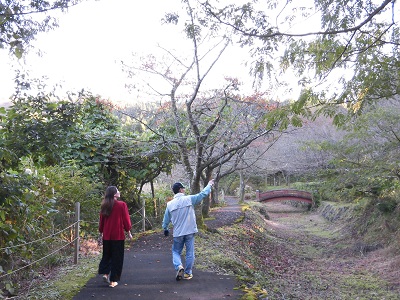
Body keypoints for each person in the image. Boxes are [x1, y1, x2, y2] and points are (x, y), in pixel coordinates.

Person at [162, 179, 214, 281]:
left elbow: (166, 220)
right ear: (180, 190)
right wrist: (209, 185)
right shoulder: (189, 199)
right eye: (183, 188)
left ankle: (179, 266)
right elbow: (202, 194)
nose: (184, 190)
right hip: (190, 231)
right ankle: (187, 273)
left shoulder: (170, 204)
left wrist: (165, 229)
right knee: (190, 252)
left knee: (176, 251)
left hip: (178, 233)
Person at [98, 186, 132, 288]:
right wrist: (128, 230)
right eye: (117, 190)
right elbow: (126, 220)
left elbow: (101, 223)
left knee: (107, 255)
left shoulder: (104, 205)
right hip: (118, 235)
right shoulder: (122, 205)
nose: (119, 192)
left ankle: (105, 273)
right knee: (117, 258)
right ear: (114, 194)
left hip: (107, 235)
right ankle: (113, 281)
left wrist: (101, 231)